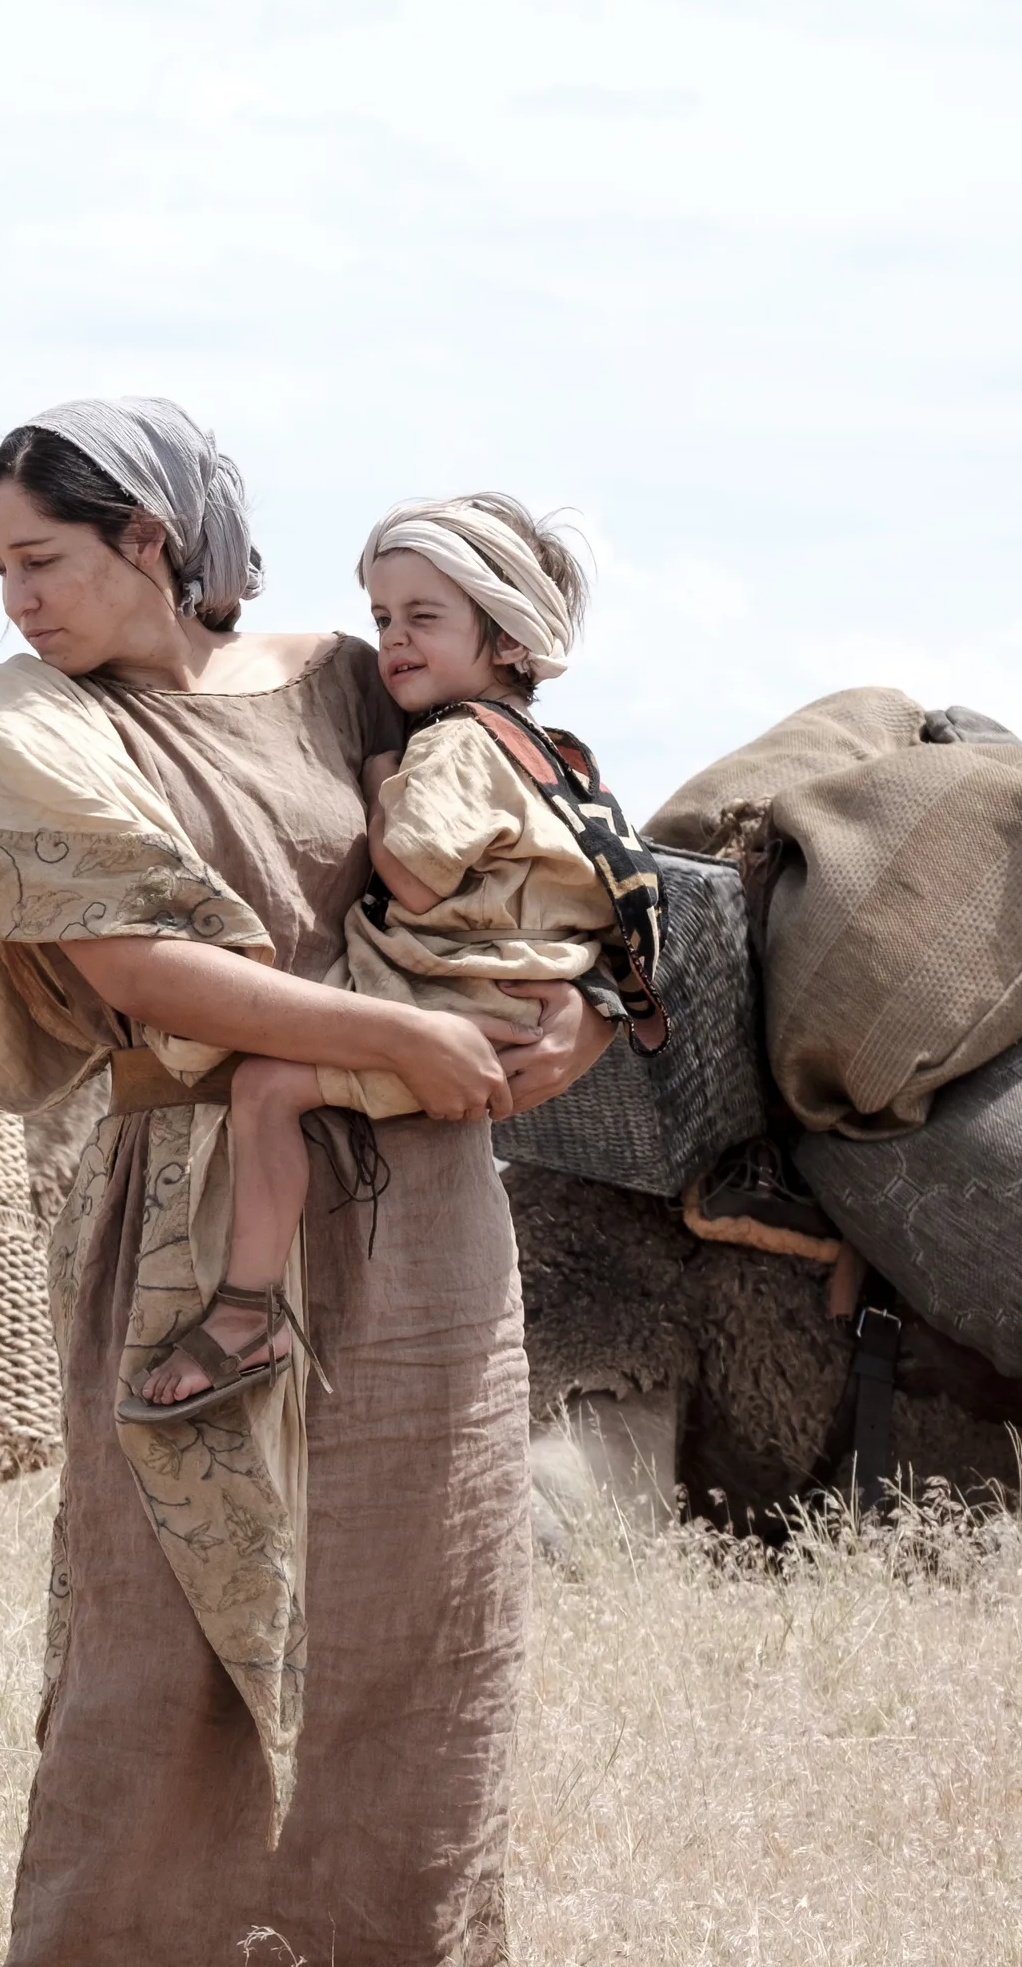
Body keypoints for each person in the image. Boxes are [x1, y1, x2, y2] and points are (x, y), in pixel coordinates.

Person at [0, 397, 611, 1967]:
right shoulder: (25, 726)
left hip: (428, 1215)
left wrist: (576, 1028)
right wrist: (396, 1039)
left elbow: (535, 867)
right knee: (161, 1628)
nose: (14, 600)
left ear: (154, 543)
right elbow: (138, 969)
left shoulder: (350, 677)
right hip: (201, 1209)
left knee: (419, 1608)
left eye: (41, 559)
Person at [129, 493, 659, 1418]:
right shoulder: (550, 752)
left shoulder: (455, 746)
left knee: (262, 1087)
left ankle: (246, 1310)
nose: (395, 642)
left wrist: (378, 775)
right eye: (383, 619)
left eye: (424, 618)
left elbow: (413, 878)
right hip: (501, 996)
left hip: (443, 998)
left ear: (509, 638)